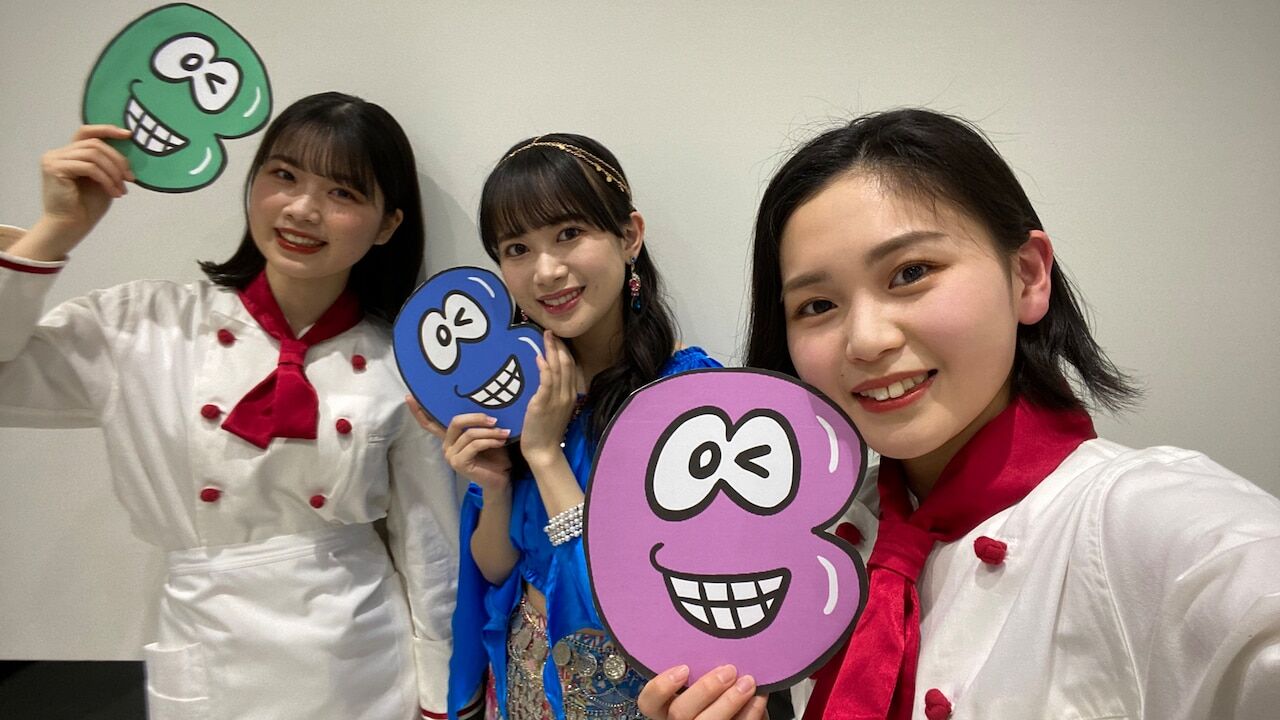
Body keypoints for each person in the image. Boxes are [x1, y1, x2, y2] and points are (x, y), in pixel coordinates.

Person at [637, 108, 1280, 720]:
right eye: (817, 306)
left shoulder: (1146, 523)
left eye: (911, 272)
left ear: (1027, 275)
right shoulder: (817, 539)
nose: (866, 340)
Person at [0, 92, 460, 719]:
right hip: (210, 659)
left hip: (364, 671)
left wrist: (441, 702)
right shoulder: (145, 326)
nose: (302, 209)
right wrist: (56, 230)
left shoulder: (401, 365)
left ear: (387, 225)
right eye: (284, 175)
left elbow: (432, 549)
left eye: (342, 192)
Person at [411, 134, 720, 720]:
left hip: (631, 700)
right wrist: (495, 486)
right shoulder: (515, 393)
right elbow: (498, 567)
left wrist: (547, 458)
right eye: (517, 248)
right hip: (523, 689)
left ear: (629, 236)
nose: (546, 270)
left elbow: (625, 599)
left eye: (569, 233)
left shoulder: (687, 400)